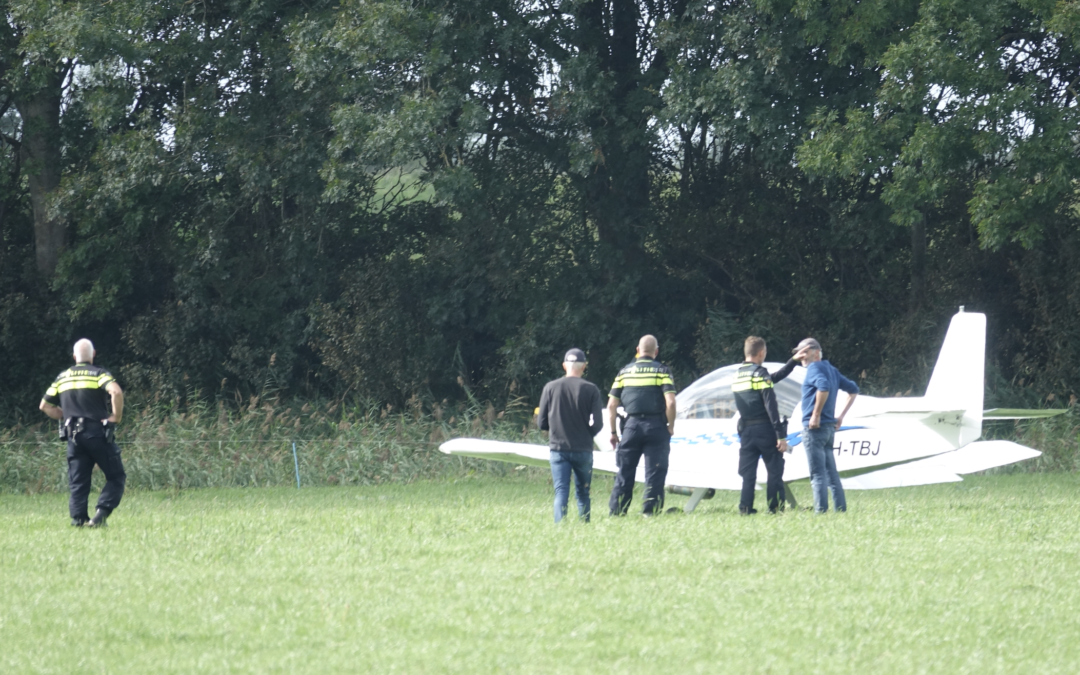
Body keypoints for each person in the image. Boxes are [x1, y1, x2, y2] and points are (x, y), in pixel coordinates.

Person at [39, 339, 126, 527]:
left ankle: (79, 519)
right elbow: (116, 392)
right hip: (97, 433)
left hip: (73, 436)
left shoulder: (63, 377)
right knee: (116, 476)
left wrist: (65, 416)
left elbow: (44, 405)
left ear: (74, 357)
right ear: (93, 354)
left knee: (78, 481)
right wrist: (115, 417)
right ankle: (100, 515)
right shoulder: (98, 374)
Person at [732, 337, 807, 514]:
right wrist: (781, 435)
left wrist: (792, 362)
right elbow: (771, 406)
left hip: (746, 431)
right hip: (765, 429)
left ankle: (745, 507)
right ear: (761, 353)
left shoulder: (737, 375)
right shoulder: (760, 374)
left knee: (748, 473)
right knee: (774, 470)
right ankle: (775, 508)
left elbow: (774, 378)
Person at [607, 335, 677, 516]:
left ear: (637, 350)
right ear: (656, 351)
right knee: (655, 471)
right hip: (656, 425)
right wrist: (670, 425)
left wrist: (613, 432)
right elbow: (670, 402)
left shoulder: (624, 372)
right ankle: (650, 512)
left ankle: (617, 511)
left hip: (631, 426)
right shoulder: (662, 371)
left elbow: (611, 405)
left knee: (625, 470)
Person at [537, 348, 605, 523]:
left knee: (561, 492)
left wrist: (555, 431)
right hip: (583, 449)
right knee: (583, 492)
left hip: (559, 449)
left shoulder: (550, 387)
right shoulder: (591, 389)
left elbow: (541, 423)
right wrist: (587, 434)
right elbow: (598, 423)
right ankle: (585, 524)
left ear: (564, 366)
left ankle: (560, 526)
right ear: (584, 367)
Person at [795, 337, 859, 513]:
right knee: (832, 474)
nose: (801, 357)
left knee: (817, 475)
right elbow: (853, 389)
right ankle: (840, 510)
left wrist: (815, 415)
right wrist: (840, 417)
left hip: (815, 429)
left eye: (803, 352)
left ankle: (820, 513)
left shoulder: (814, 368)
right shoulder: (831, 369)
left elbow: (823, 387)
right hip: (830, 428)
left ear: (814, 352)